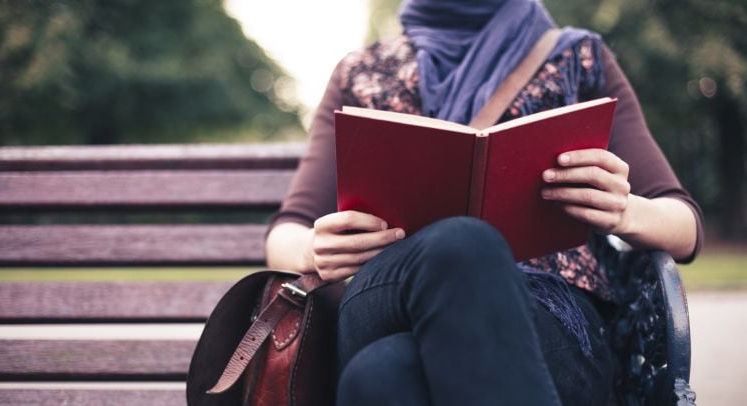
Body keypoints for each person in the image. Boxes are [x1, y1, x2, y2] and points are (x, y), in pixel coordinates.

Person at [265, 0, 703, 404]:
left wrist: (625, 210)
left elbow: (684, 224)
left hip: (547, 322)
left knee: (385, 374)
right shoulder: (359, 73)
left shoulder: (577, 60)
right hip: (386, 299)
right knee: (461, 245)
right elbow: (286, 231)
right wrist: (312, 249)